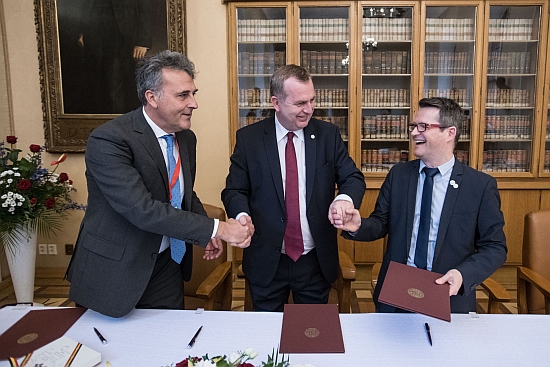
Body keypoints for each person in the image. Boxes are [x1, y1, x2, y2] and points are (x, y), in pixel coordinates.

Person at [66, 51, 253, 318]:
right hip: (114, 270)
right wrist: (219, 228)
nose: (194, 103)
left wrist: (205, 232)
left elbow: (184, 192)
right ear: (151, 97)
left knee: (167, 345)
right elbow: (142, 209)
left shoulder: (186, 138)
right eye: (183, 95)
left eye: (193, 93)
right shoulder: (110, 140)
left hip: (167, 263)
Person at [332, 97, 507, 313]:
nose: (414, 132)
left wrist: (463, 274)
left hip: (447, 295)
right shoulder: (399, 175)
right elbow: (381, 223)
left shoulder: (479, 186)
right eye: (414, 126)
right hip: (396, 294)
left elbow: (495, 247)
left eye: (423, 126)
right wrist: (358, 226)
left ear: (450, 133)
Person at [222, 64, 366, 312]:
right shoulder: (250, 140)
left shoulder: (327, 135)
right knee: (268, 338)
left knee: (311, 336)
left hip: (314, 258)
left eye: (311, 101)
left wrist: (344, 198)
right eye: (300, 103)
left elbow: (352, 177)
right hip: (267, 257)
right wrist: (242, 216)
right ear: (276, 103)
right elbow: (235, 190)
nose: (308, 110)